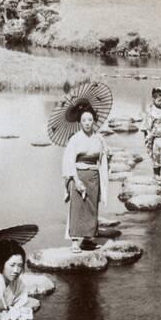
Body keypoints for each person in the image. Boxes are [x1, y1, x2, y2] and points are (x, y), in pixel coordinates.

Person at [62, 106, 108, 253]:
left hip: (94, 176)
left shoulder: (99, 138)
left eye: (90, 119)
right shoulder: (75, 139)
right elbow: (69, 161)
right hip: (79, 175)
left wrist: (107, 155)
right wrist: (76, 180)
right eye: (84, 120)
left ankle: (88, 240)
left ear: (94, 121)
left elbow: (103, 158)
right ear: (80, 122)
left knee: (92, 207)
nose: (87, 123)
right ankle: (75, 241)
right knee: (77, 207)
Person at [141, 88, 161, 181]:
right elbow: (147, 125)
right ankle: (156, 174)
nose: (160, 102)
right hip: (154, 136)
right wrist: (148, 134)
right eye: (159, 100)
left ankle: (159, 174)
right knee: (155, 155)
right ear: (154, 99)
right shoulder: (151, 111)